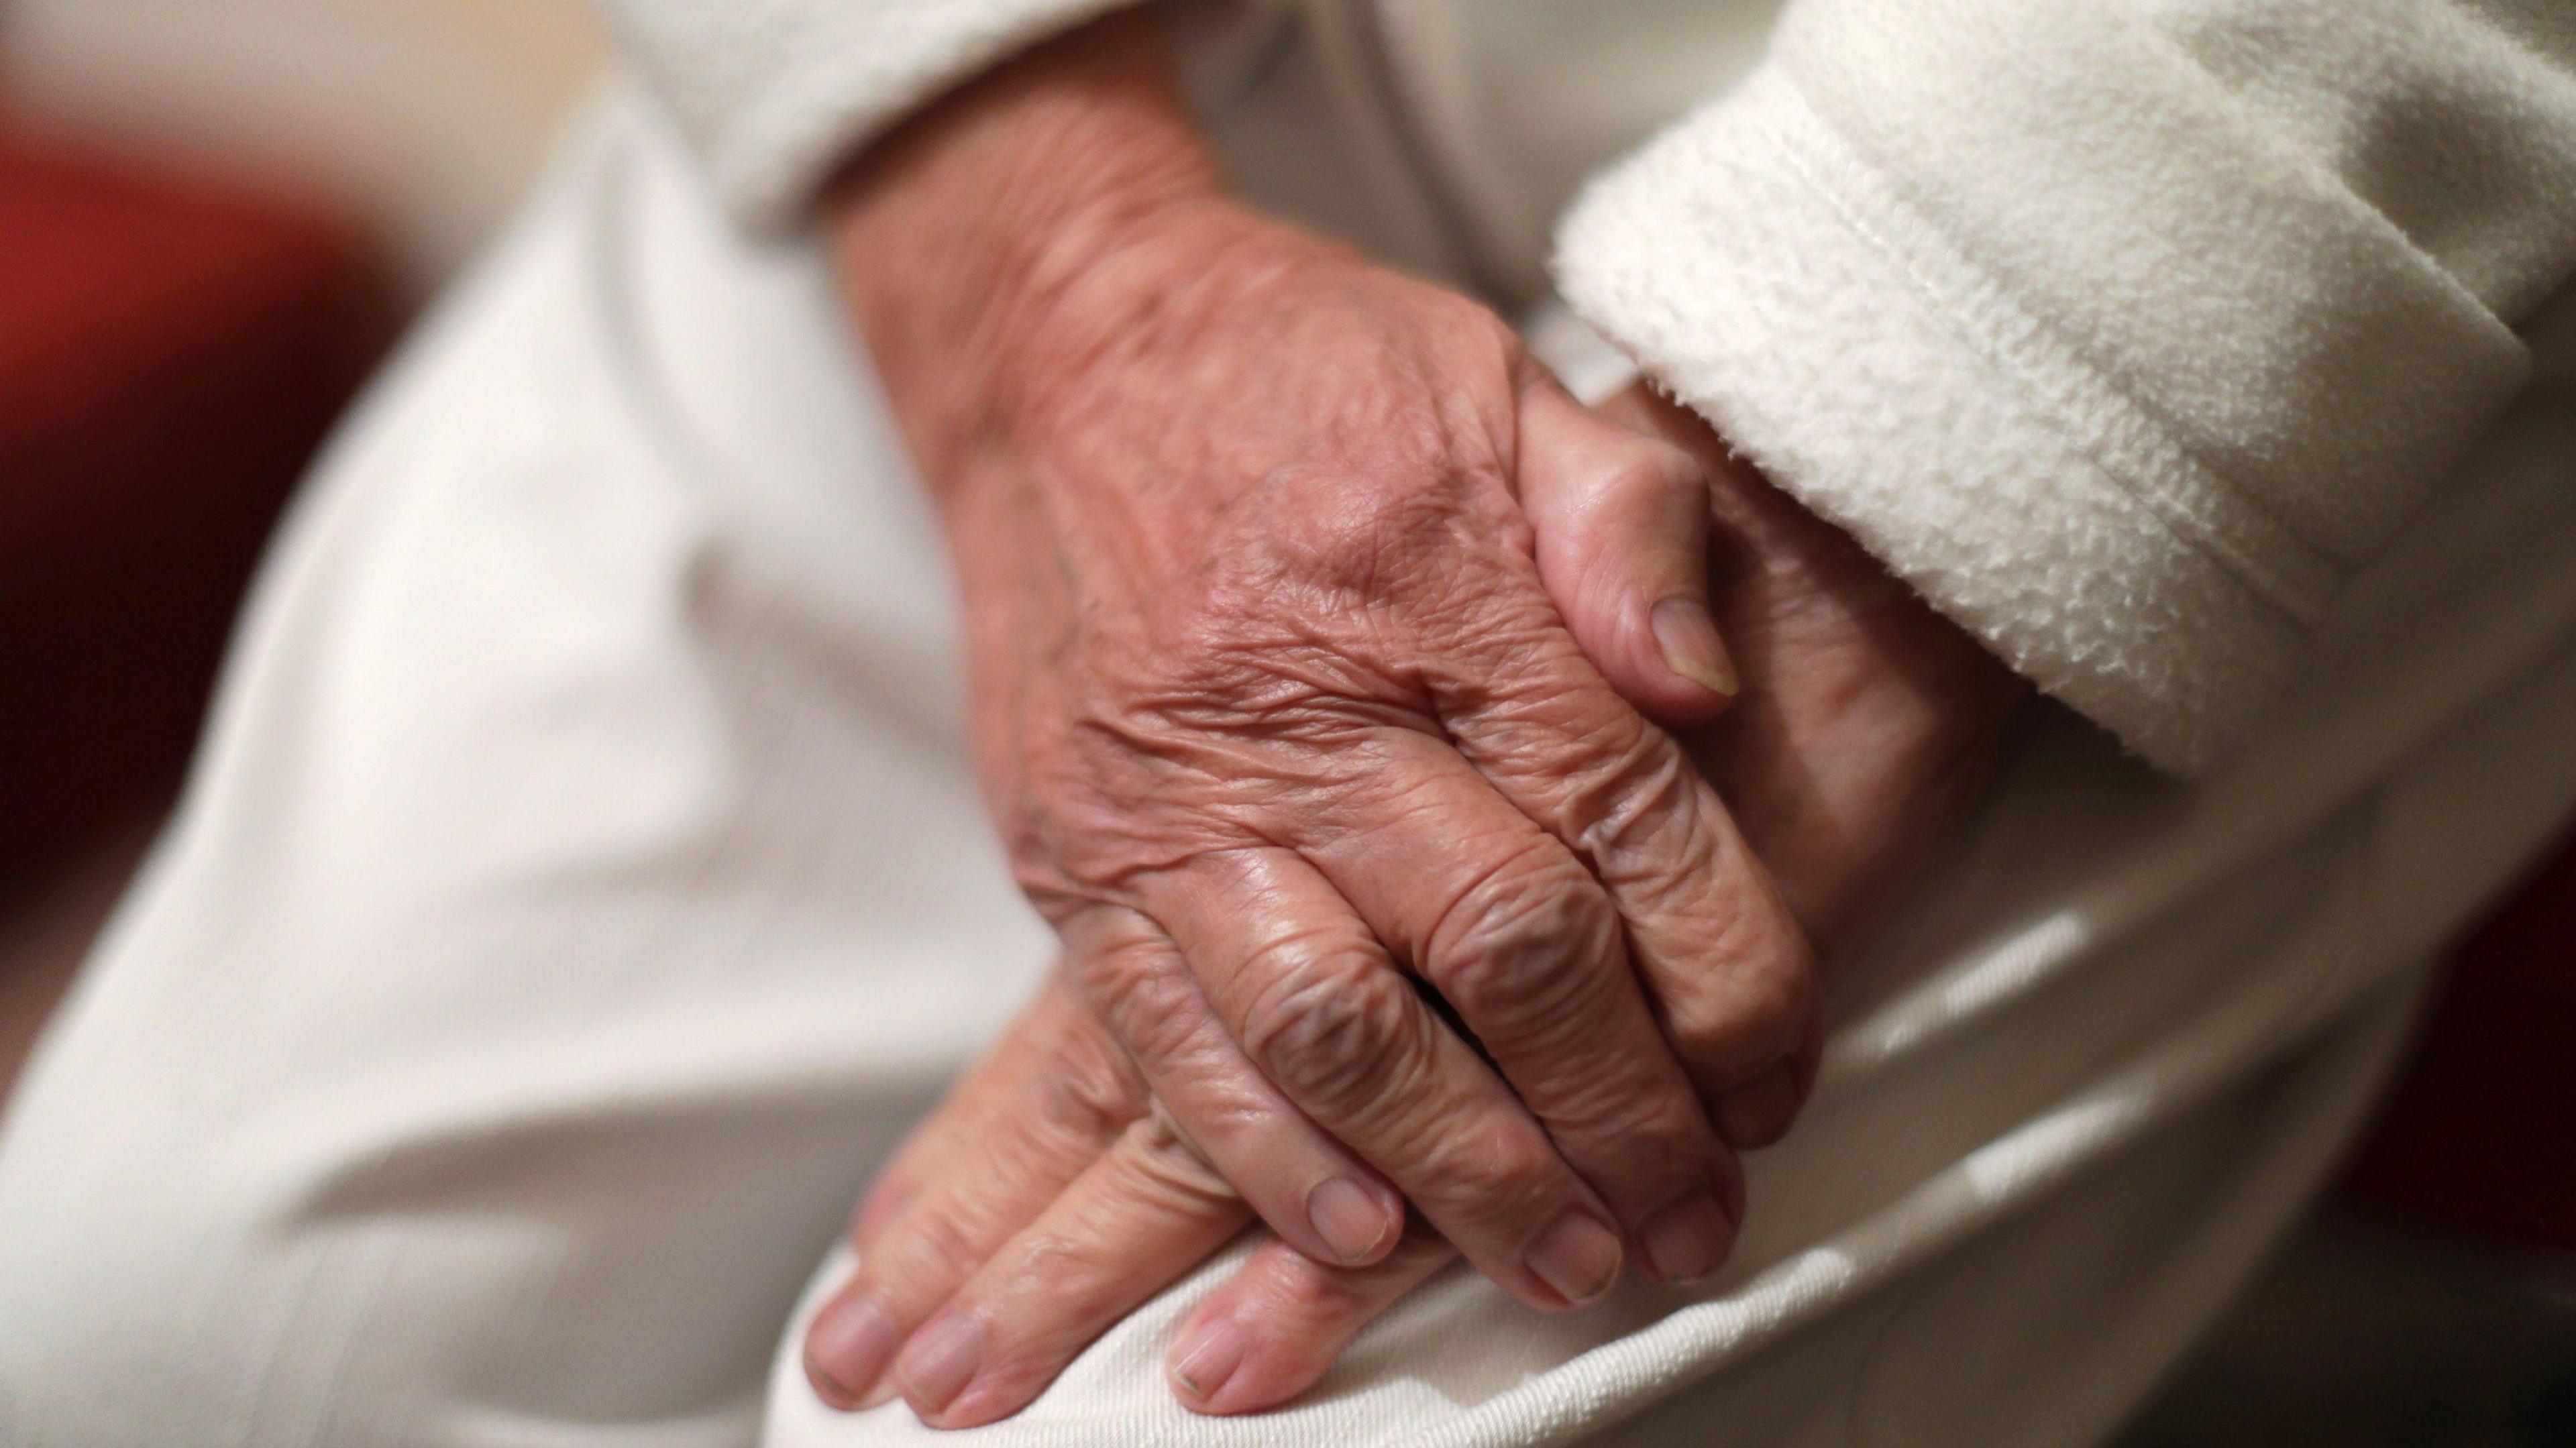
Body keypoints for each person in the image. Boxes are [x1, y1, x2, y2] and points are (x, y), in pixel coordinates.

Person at [2, 1, 2571, 1446]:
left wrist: (1941, 427)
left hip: (2143, 139)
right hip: (1025, 79)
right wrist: (1041, 271)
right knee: (171, 1350)